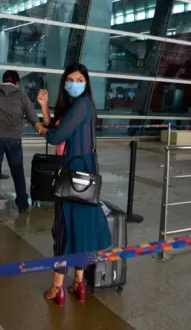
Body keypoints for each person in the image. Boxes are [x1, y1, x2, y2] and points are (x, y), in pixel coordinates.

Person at [36, 64, 112, 305]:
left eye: (79, 79)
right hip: (86, 176)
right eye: (70, 79)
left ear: (86, 83)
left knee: (63, 230)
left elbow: (55, 135)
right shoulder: (80, 106)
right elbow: (58, 125)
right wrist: (44, 108)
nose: (74, 83)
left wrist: (38, 127)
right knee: (80, 231)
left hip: (72, 177)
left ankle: (57, 287)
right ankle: (79, 283)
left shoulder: (81, 105)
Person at [0, 70, 43, 219]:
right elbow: (33, 118)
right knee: (17, 172)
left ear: (3, 80)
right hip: (14, 140)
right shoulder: (23, 96)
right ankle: (23, 205)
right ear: (17, 83)